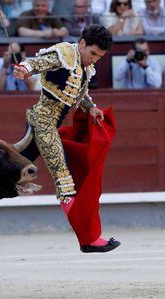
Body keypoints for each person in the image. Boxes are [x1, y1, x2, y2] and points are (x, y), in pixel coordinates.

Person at [13, 24, 120, 253]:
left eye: (100, 57)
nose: (94, 60)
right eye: (93, 53)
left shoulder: (84, 66)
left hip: (52, 125)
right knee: (64, 179)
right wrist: (24, 68)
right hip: (43, 122)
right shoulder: (64, 53)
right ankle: (88, 238)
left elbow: (80, 94)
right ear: (82, 43)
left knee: (14, 166)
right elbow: (38, 63)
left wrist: (90, 107)